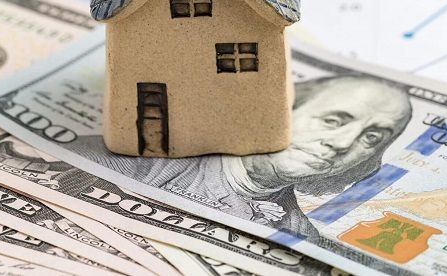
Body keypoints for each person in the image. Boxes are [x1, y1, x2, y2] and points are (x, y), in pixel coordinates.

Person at [68, 75, 413, 240]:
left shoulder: (302, 238)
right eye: (334, 120)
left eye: (371, 138)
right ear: (281, 109)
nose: (342, 144)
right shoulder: (127, 156)